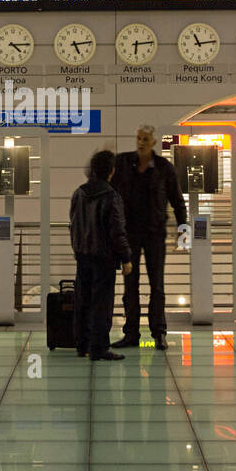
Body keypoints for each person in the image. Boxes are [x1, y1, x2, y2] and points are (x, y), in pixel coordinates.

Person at [112, 125, 187, 351]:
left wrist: (183, 227)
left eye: (145, 139)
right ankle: (131, 333)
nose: (141, 142)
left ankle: (159, 332)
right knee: (130, 284)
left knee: (157, 285)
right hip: (130, 233)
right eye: (138, 138)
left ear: (154, 143)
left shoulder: (165, 168)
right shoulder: (123, 163)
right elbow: (105, 181)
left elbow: (176, 199)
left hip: (155, 233)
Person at [70, 150, 132, 360]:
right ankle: (99, 348)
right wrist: (126, 257)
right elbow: (117, 230)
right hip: (104, 258)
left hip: (83, 256)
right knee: (101, 304)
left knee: (83, 301)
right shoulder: (111, 195)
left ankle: (82, 345)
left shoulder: (79, 193)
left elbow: (73, 224)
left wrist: (77, 249)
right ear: (111, 171)